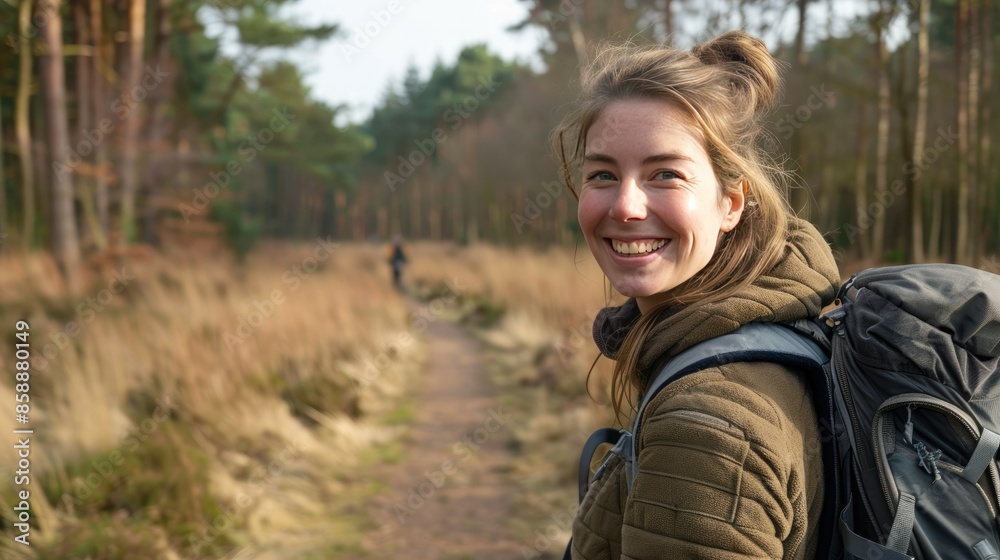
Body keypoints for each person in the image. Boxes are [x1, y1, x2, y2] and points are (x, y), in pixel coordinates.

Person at [552, 31, 841, 559]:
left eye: (666, 174)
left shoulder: (706, 426)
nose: (626, 206)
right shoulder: (776, 327)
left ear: (730, 203)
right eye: (602, 174)